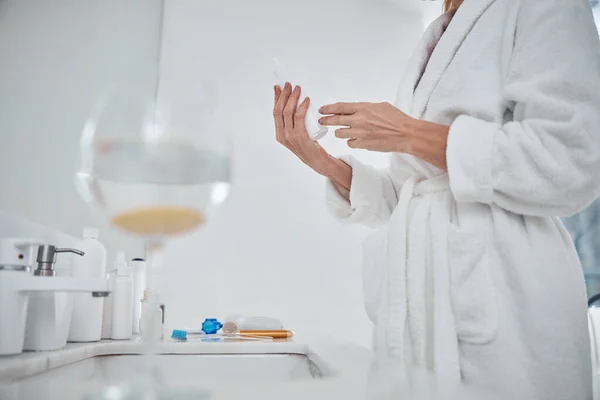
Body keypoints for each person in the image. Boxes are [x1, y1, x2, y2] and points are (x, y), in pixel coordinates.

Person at [272, 0, 600, 398]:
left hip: (506, 315)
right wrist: (322, 162)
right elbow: (413, 195)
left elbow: (570, 158)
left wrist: (410, 132)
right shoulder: (439, 32)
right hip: (418, 322)